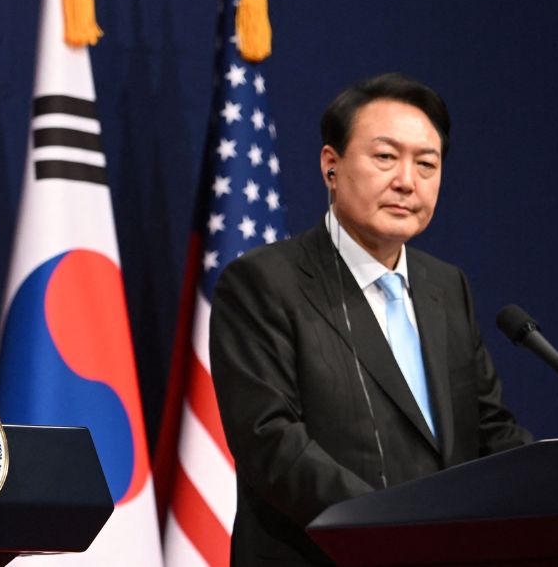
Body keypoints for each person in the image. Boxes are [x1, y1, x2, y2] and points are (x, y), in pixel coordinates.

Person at [209, 73, 532, 565]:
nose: (407, 180)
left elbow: (491, 430)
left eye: (427, 163)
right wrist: (391, 530)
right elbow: (271, 443)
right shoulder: (263, 282)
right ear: (330, 166)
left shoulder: (446, 287)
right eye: (385, 157)